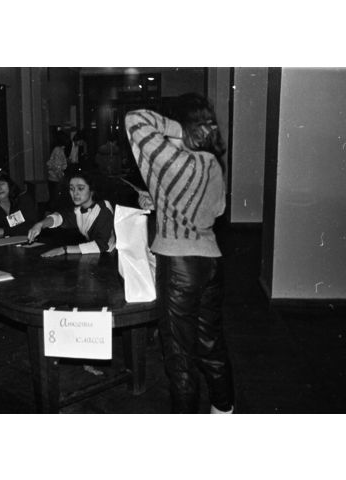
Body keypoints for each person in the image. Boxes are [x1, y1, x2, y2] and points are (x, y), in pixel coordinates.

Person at [125, 93, 234, 414]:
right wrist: (164, 202)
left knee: (179, 357)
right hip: (211, 262)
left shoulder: (172, 159)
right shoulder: (211, 163)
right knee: (210, 344)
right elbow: (215, 210)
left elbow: (134, 120)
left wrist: (179, 130)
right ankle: (224, 411)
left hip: (178, 267)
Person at [27, 171, 115, 257]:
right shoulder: (78, 210)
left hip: (113, 257)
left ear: (92, 189)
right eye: (72, 189)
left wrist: (64, 249)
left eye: (80, 188)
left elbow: (102, 244)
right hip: (98, 255)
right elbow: (60, 217)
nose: (75, 193)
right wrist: (40, 224)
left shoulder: (104, 208)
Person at [47, 132, 69, 210]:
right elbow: (57, 167)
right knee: (56, 201)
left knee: (54, 200)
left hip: (53, 178)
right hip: (56, 178)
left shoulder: (57, 149)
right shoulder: (58, 150)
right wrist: (61, 179)